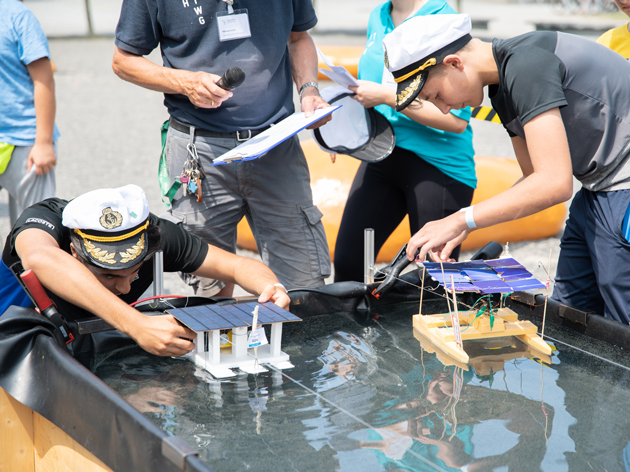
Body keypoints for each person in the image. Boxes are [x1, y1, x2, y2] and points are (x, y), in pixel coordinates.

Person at [384, 14, 630, 324]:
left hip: (623, 185)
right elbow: (533, 178)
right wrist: (461, 224)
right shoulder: (503, 86)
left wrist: (462, 218)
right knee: (569, 312)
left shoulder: (525, 67)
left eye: (436, 96)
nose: (444, 109)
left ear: (454, 63)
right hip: (598, 187)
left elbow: (554, 183)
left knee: (622, 317)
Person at [111, 0, 332, 299]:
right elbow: (123, 60)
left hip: (277, 146)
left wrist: (309, 89)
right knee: (209, 291)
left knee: (305, 285)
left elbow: (299, 37)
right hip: (198, 153)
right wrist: (183, 81)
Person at [0, 185, 290, 358]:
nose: (126, 288)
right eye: (110, 276)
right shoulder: (44, 219)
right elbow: (40, 257)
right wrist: (136, 324)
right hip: (15, 345)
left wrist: (272, 287)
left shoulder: (155, 233)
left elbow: (237, 266)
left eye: (135, 272)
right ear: (75, 252)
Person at [333, 0, 475, 283]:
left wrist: (387, 96)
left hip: (437, 165)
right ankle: (357, 329)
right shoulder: (378, 16)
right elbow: (366, 89)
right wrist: (339, 133)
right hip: (383, 154)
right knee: (348, 264)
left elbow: (456, 121)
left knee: (433, 282)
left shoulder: (443, 18)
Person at [0, 0, 58, 227]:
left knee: (37, 226)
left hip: (24, 139)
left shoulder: (17, 16)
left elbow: (43, 79)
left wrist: (43, 142)